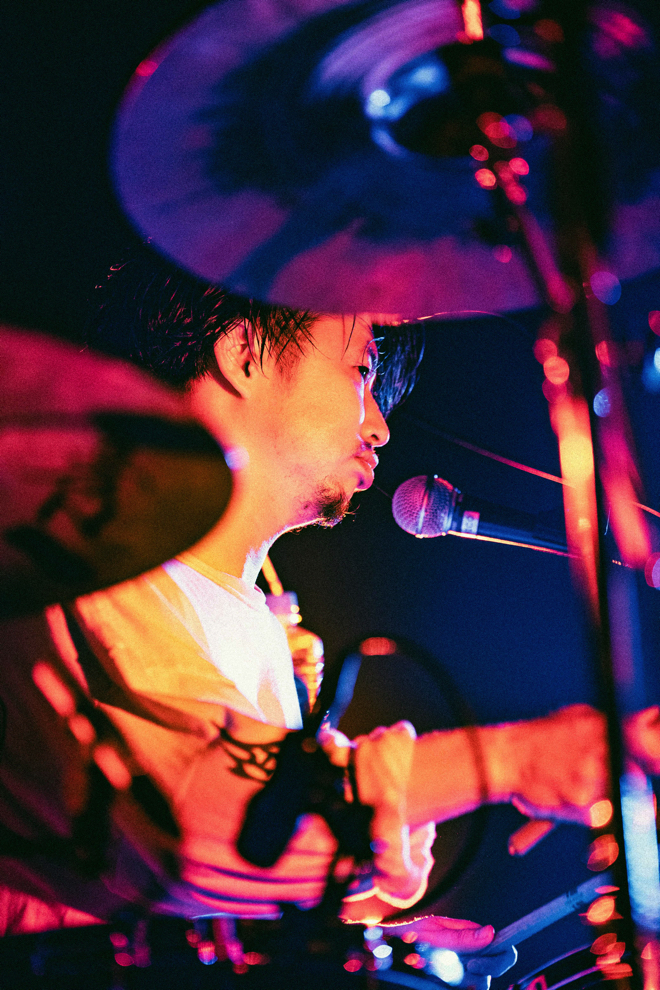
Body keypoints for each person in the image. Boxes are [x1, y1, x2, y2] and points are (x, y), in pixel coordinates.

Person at [1, 249, 658, 985]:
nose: (379, 427)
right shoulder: (73, 574)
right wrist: (514, 761)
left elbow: (199, 918)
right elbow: (197, 819)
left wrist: (374, 948)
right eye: (361, 372)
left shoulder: (267, 625)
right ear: (244, 353)